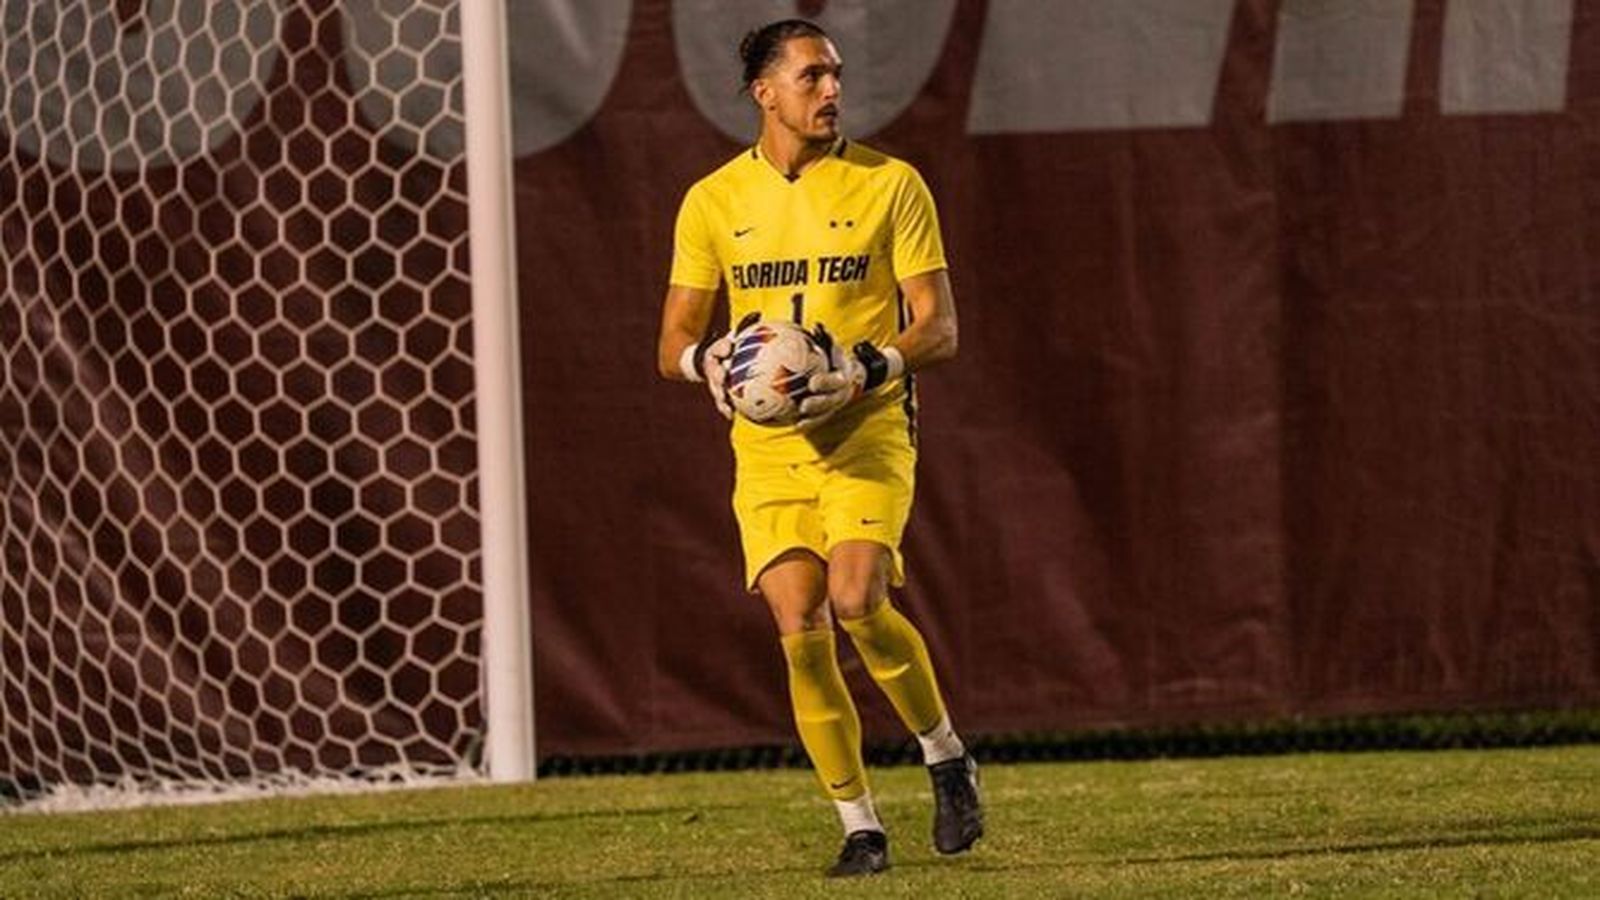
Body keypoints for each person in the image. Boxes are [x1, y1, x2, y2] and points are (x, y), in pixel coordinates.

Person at [655, 18, 982, 877]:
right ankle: (860, 828)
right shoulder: (713, 201)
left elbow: (937, 326)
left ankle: (944, 754)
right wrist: (711, 363)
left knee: (856, 599)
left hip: (865, 425)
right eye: (811, 77)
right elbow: (673, 341)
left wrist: (868, 364)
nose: (831, 90)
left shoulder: (892, 185)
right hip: (768, 452)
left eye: (835, 75)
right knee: (800, 627)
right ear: (765, 93)